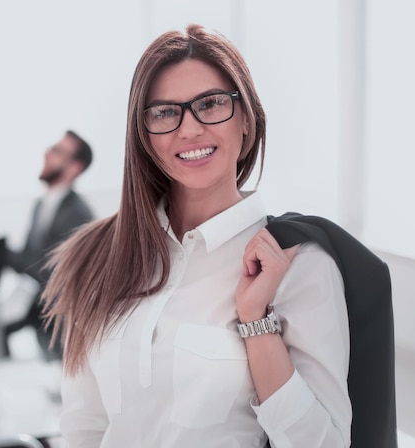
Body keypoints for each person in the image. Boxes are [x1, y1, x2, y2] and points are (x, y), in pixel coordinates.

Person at [41, 25, 352, 447]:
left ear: (246, 118)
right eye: (165, 112)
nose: (189, 129)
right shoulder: (97, 254)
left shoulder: (300, 264)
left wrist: (256, 322)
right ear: (145, 136)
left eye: (211, 104)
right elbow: (83, 428)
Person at [0, 130, 94, 361]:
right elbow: (28, 259)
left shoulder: (77, 213)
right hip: (39, 303)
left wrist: (0, 251)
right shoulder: (41, 205)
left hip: (62, 313)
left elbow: (47, 271)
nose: (47, 154)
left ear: (75, 167)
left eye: (57, 151)